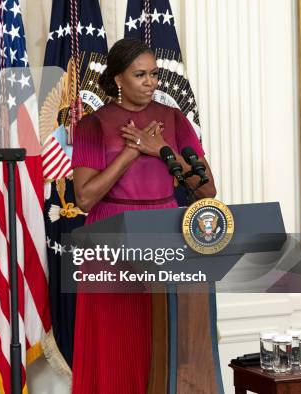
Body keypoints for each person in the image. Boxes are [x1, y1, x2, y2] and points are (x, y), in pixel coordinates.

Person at [70, 39, 216, 393]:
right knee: (117, 340)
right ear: (118, 78)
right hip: (110, 240)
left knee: (163, 335)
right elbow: (86, 198)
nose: (151, 82)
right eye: (140, 75)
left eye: (154, 74)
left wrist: (161, 148)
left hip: (165, 234)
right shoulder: (93, 125)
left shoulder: (174, 119)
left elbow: (207, 190)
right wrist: (129, 154)